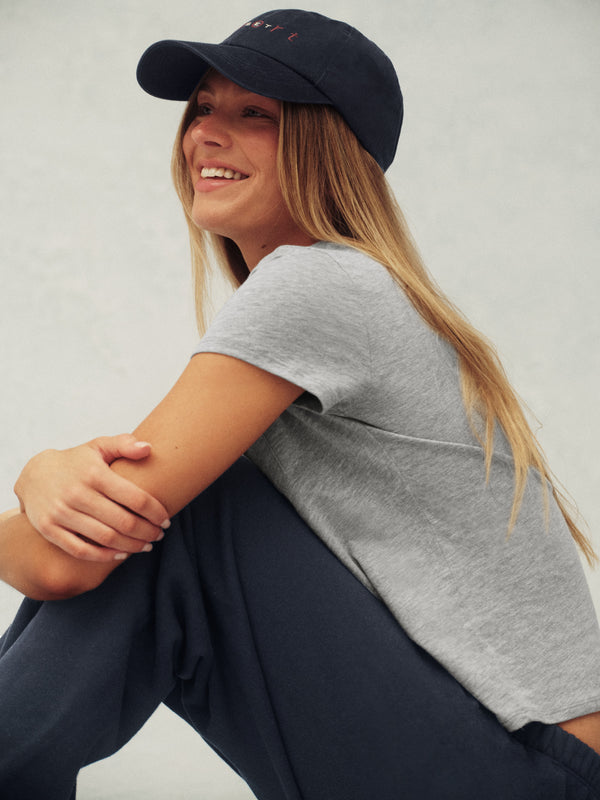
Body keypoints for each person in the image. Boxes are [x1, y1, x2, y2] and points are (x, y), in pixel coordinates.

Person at [1, 8, 600, 799]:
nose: (208, 135)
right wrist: (44, 491)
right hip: (503, 758)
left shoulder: (319, 286)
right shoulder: (347, 296)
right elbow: (66, 557)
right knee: (173, 514)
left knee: (188, 517)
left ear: (329, 149)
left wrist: (38, 487)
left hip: (522, 770)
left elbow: (61, 563)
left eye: (257, 115)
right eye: (205, 107)